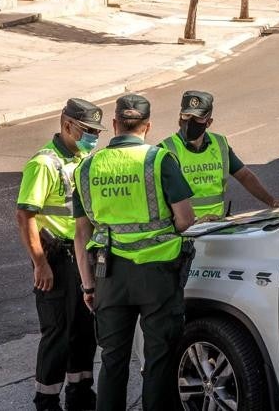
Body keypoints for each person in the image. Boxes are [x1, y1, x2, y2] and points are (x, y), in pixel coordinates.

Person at [73, 94, 195, 411]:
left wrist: (88, 285)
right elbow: (185, 218)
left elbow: (81, 232)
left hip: (108, 275)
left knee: (113, 361)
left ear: (114, 125)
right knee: (159, 359)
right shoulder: (159, 160)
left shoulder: (87, 168)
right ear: (147, 126)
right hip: (158, 276)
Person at [16, 99, 105, 411]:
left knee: (84, 332)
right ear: (67, 125)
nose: (92, 137)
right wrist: (40, 263)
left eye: (96, 132)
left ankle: (80, 396)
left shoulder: (84, 159)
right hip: (56, 259)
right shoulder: (44, 163)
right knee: (58, 333)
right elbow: (25, 215)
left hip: (83, 257)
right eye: (87, 130)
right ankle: (47, 400)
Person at [161, 90, 279, 220]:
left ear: (209, 122)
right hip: (183, 231)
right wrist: (192, 221)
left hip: (216, 226)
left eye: (197, 118)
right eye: (187, 116)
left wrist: (271, 201)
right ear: (180, 117)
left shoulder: (219, 145)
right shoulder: (165, 149)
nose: (190, 122)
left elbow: (245, 176)